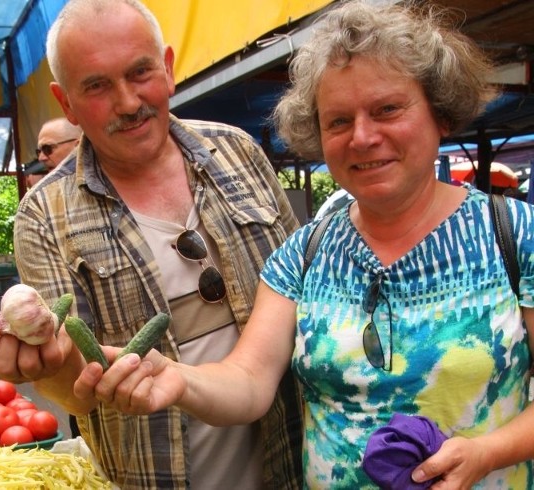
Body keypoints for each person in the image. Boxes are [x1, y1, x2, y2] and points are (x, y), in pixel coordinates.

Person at [80, 2, 534, 489]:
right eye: (338, 121)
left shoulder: (514, 235)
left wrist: (488, 453)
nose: (362, 137)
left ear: (439, 114)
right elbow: (250, 382)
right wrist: (179, 380)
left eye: (387, 109)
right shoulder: (305, 253)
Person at [0, 1, 303, 489]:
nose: (127, 102)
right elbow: (76, 393)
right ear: (67, 103)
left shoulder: (238, 152)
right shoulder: (43, 215)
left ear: (166, 67)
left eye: (140, 72)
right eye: (97, 85)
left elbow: (304, 290)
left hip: (292, 462)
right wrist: (51, 363)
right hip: (154, 476)